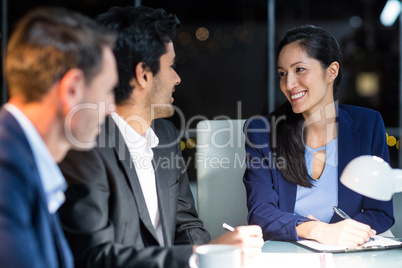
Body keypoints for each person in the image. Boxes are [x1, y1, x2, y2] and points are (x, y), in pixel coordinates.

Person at [58, 6, 263, 268]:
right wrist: (203, 254)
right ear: (143, 75)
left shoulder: (165, 134)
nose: (177, 78)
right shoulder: (86, 148)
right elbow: (95, 257)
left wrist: (214, 258)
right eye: (171, 66)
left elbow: (185, 223)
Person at [243, 25, 394, 248]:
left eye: (299, 70)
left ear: (331, 71)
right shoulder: (262, 132)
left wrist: (343, 233)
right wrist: (317, 230)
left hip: (348, 252)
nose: (288, 84)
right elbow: (261, 213)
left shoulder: (367, 125)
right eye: (283, 74)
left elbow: (379, 212)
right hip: (287, 253)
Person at [0, 7, 117, 268]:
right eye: (108, 91)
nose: (111, 108)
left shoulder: (23, 162)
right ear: (73, 89)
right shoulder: (6, 170)